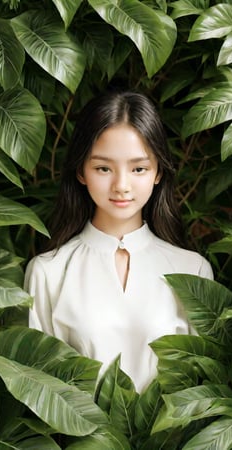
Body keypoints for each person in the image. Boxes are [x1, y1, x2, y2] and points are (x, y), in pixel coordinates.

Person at [24, 90, 213, 393]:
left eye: (139, 168)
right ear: (81, 172)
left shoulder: (193, 271)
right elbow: (38, 390)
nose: (121, 186)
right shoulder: (48, 272)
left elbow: (203, 387)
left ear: (158, 172)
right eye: (103, 168)